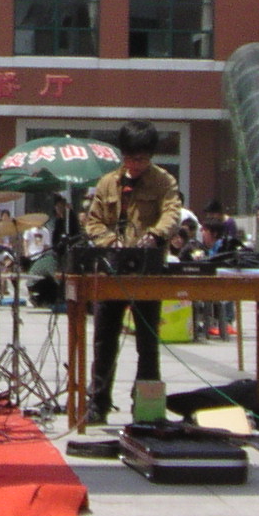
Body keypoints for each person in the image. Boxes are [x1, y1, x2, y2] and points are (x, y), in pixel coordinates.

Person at [81, 120, 184, 424]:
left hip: (146, 271)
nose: (135, 165)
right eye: (129, 158)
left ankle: (146, 407)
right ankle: (98, 403)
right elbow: (94, 221)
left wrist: (154, 235)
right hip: (111, 270)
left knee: (147, 344)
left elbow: (172, 213)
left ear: (151, 156)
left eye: (141, 159)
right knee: (104, 341)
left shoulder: (164, 181)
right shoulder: (107, 183)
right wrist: (108, 240)